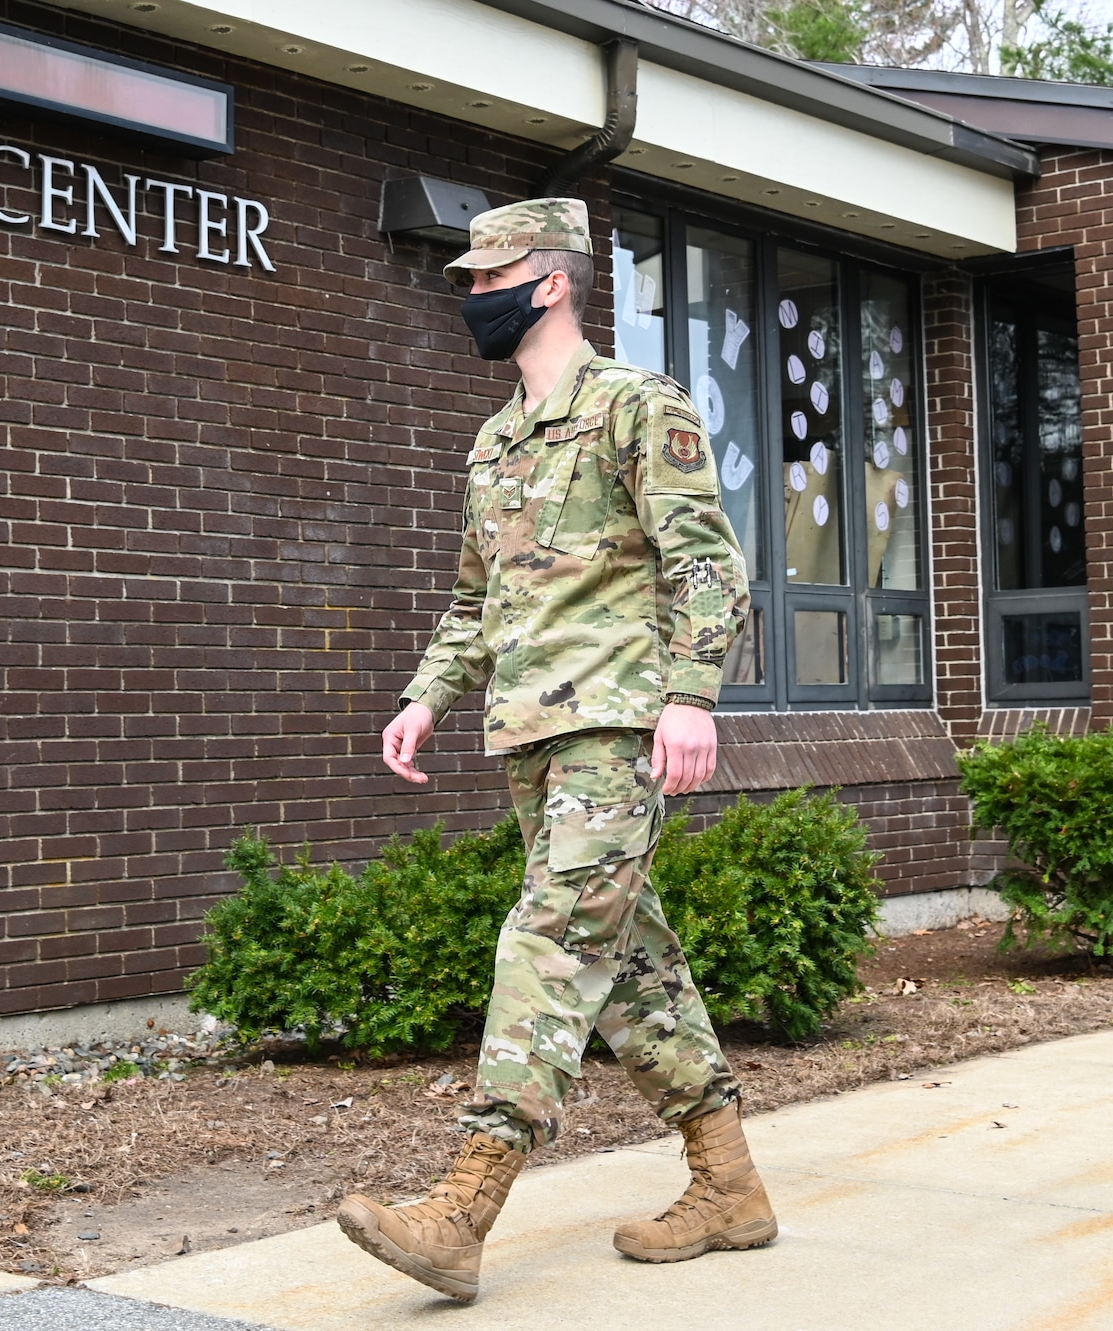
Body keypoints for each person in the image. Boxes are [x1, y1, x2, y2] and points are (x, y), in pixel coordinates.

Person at [334, 198, 776, 1302]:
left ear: (550, 281)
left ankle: (461, 1208)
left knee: (546, 938)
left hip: (616, 727)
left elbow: (706, 565)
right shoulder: (492, 443)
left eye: (488, 280)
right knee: (627, 961)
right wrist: (424, 696)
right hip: (529, 733)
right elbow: (473, 601)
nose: (472, 299)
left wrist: (689, 696)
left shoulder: (636, 407)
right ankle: (728, 1184)